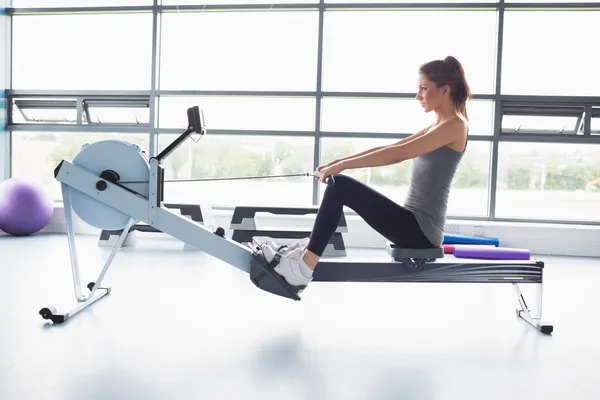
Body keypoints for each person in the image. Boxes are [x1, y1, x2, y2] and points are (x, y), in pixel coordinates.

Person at [261, 56, 472, 290]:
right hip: (412, 222)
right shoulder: (438, 125)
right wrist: (340, 161)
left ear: (445, 90)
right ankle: (301, 257)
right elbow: (391, 148)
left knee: (340, 186)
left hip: (421, 231)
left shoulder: (455, 125)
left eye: (424, 88)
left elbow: (398, 154)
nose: (418, 95)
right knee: (338, 184)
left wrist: (342, 168)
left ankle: (303, 268)